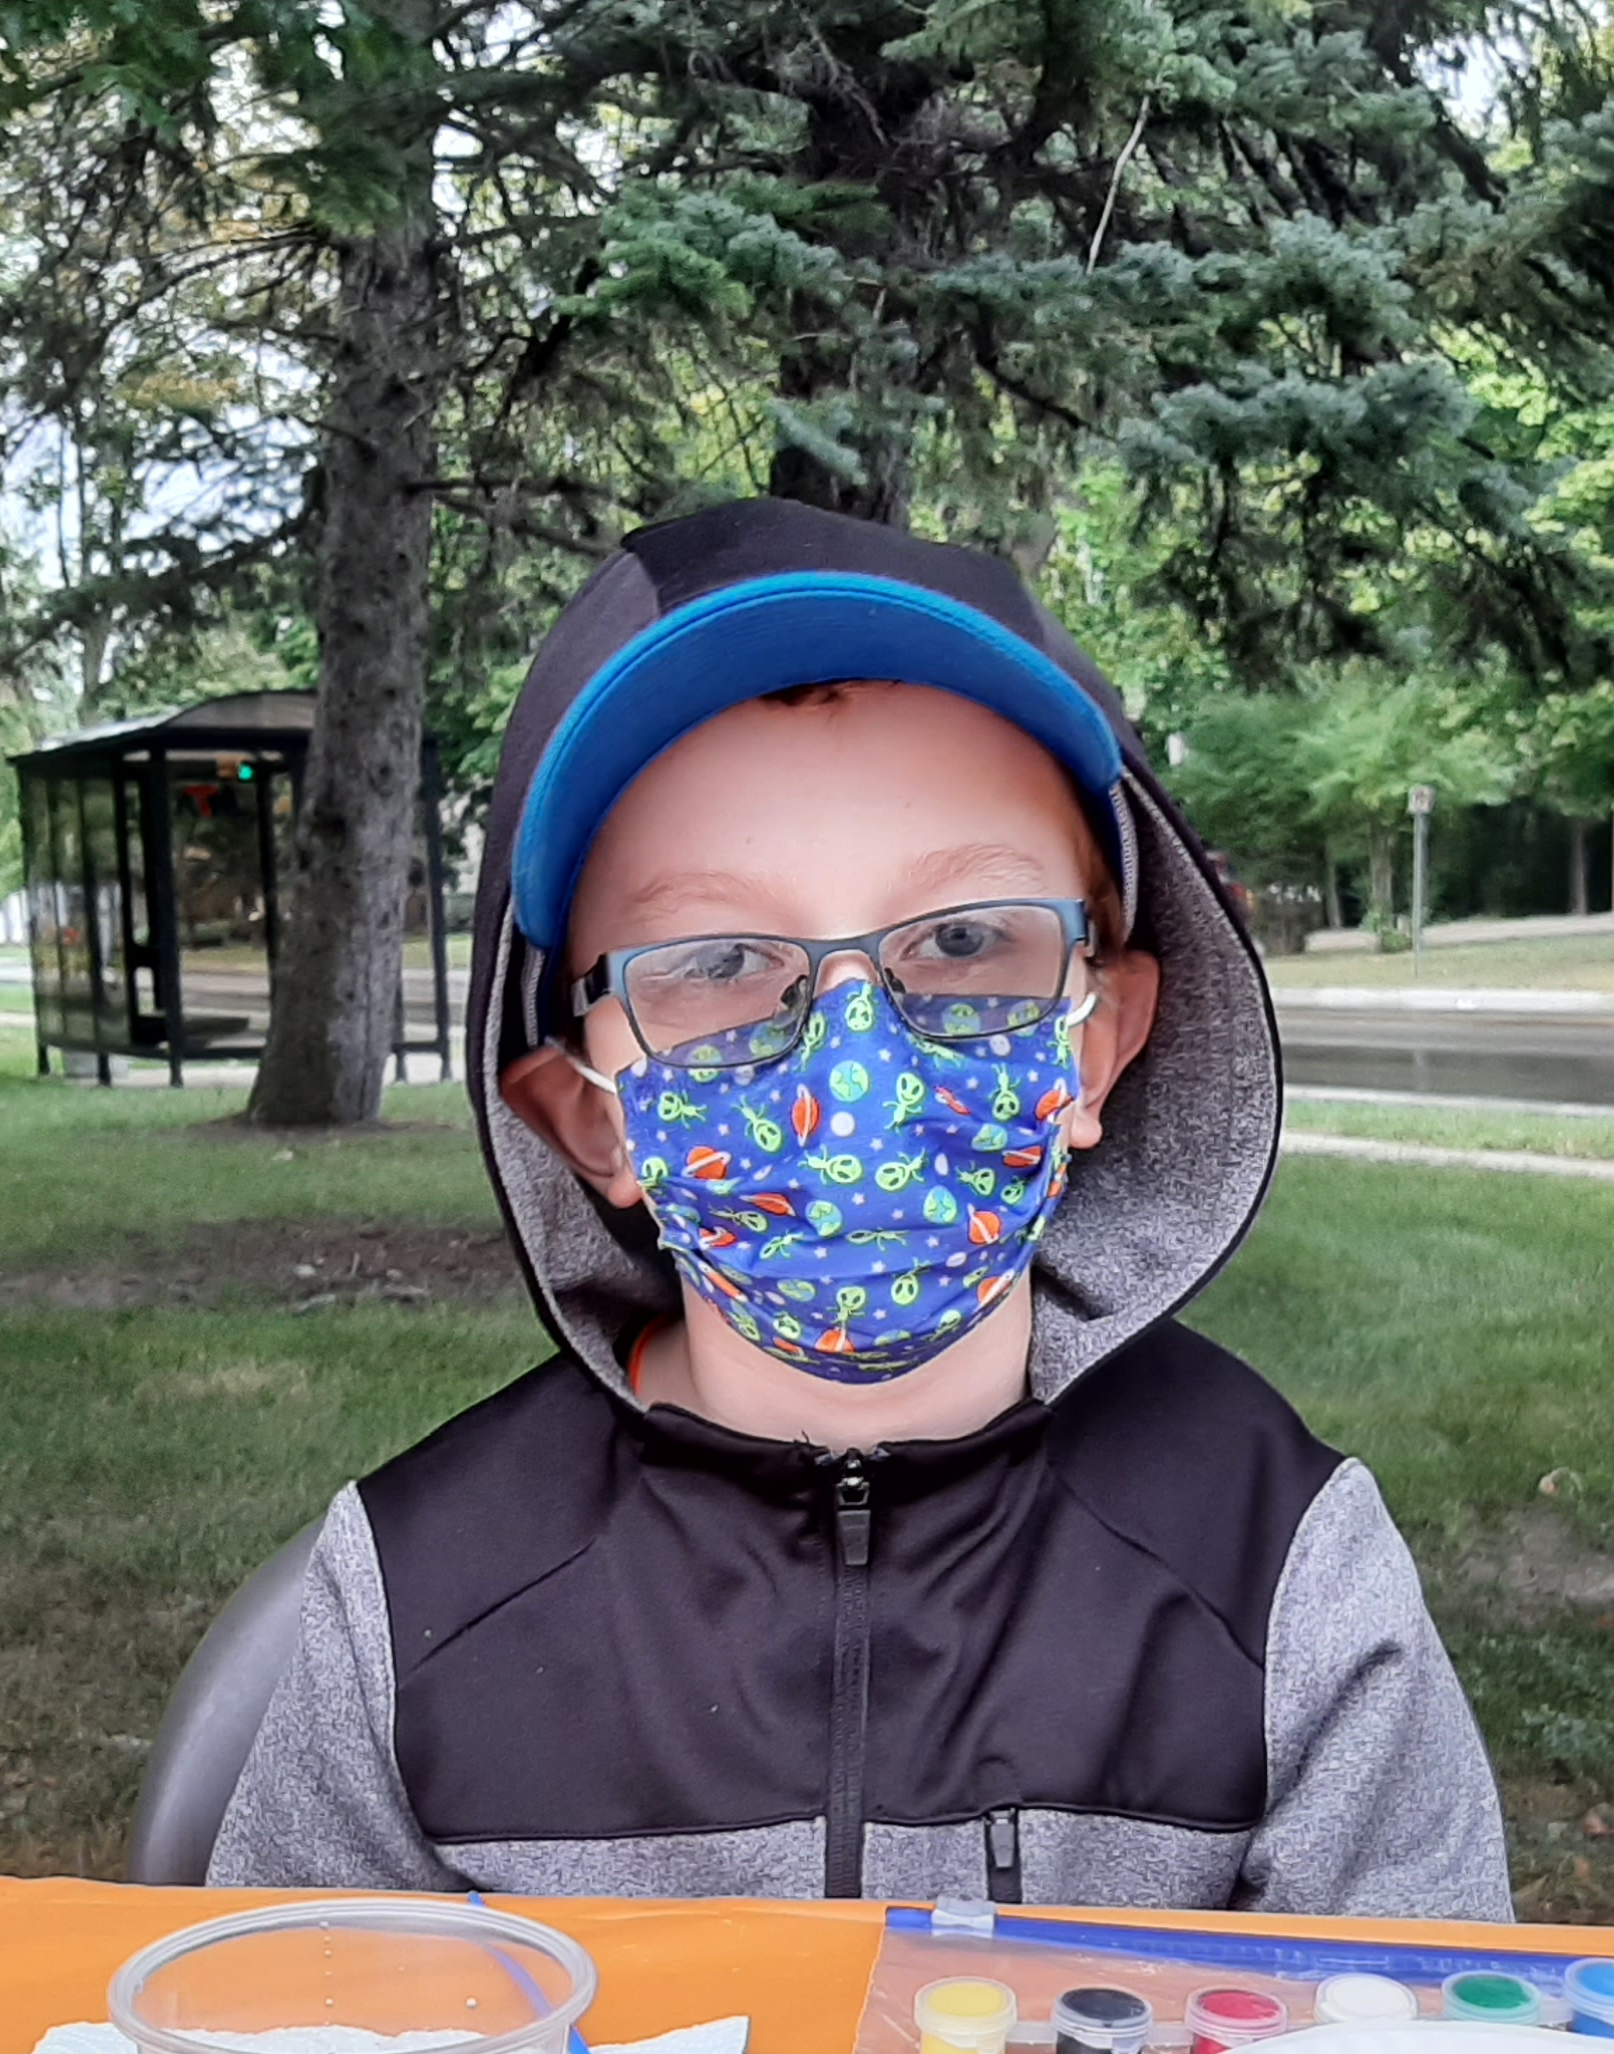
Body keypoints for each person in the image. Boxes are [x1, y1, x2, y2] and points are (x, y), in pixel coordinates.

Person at [211, 500, 1509, 1919]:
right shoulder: (420, 1593)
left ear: (1093, 1046)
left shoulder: (1284, 1573)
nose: (854, 1062)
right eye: (717, 960)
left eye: (963, 941)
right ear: (594, 1116)